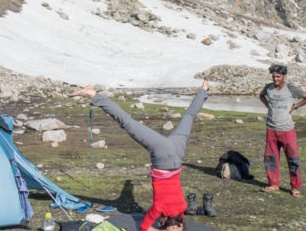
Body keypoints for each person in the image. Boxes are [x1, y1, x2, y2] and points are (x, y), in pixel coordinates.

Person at [69, 81, 211, 231]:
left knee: (189, 116)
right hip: (162, 155)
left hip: (178, 153)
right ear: (162, 222)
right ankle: (92, 94)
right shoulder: (159, 208)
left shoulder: (182, 207)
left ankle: (204, 90)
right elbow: (144, 228)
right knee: (126, 121)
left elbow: (178, 223)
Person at [258, 64, 306, 197]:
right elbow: (261, 96)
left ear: (284, 76)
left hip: (287, 129)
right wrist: (269, 107)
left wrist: (295, 106)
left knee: (292, 158)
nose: (275, 79)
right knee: (271, 158)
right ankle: (273, 184)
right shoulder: (268, 88)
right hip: (271, 128)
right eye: (274, 76)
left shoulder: (290, 89)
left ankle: (295, 187)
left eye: (278, 76)